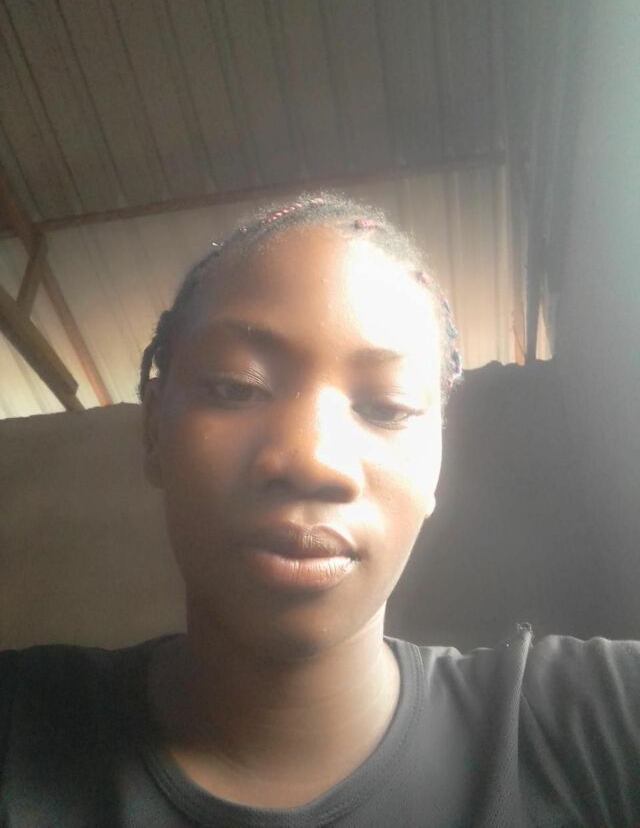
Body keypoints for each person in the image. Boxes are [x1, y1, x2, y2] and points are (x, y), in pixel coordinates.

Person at [0, 193, 638, 827]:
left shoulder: (596, 718)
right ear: (153, 435)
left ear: (436, 467)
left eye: (386, 407)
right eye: (235, 386)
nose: (313, 460)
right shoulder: (21, 723)